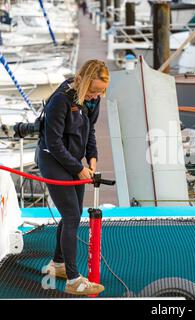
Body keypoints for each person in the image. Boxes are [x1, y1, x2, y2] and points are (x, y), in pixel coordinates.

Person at [39, 60, 109, 296]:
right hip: (52, 158)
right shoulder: (60, 100)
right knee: (71, 214)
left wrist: (92, 158)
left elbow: (89, 131)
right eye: (93, 90)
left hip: (72, 159)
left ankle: (57, 264)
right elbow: (53, 142)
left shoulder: (92, 100)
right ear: (83, 80)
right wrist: (77, 169)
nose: (95, 96)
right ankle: (73, 279)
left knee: (74, 212)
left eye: (99, 92)